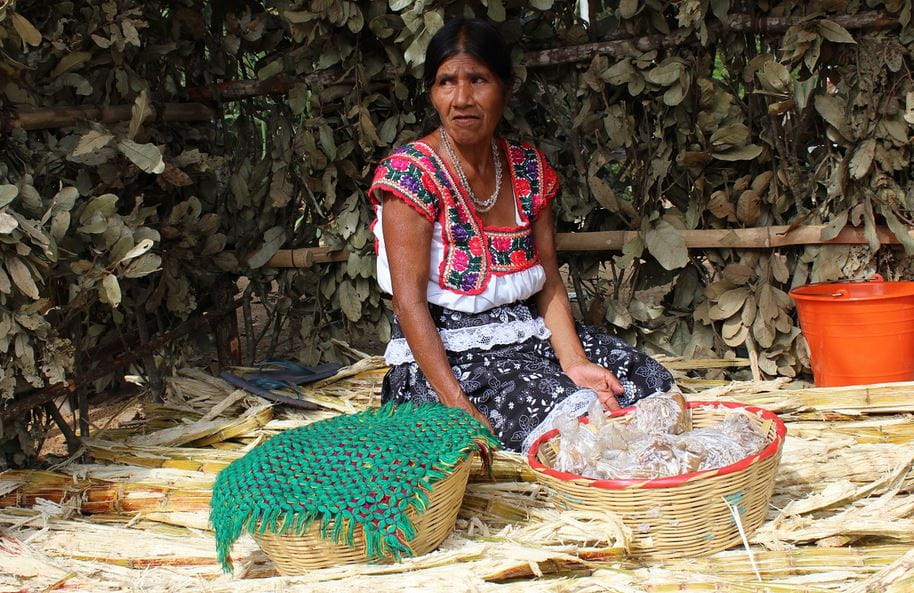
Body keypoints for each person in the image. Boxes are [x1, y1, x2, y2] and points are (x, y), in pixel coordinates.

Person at [368, 18, 675, 453]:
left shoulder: (529, 170)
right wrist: (457, 405)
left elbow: (548, 281)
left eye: (478, 79)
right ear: (432, 93)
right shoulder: (410, 176)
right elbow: (409, 302)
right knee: (577, 420)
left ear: (505, 89)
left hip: (530, 336)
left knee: (643, 382)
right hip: (450, 361)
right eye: (446, 82)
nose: (461, 99)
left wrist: (574, 361)